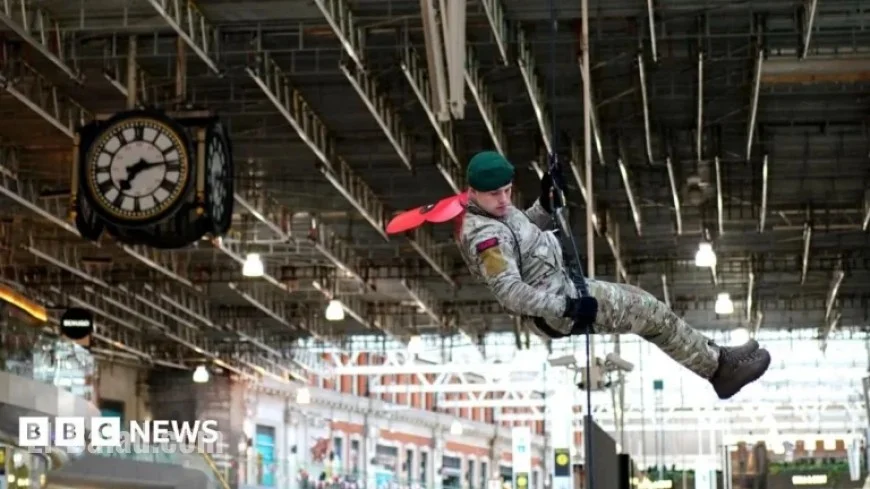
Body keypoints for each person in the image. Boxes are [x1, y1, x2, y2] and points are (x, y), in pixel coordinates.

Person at [457, 151, 771, 400]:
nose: (503, 200)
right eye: (494, 194)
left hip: (567, 291)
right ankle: (718, 370)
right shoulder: (485, 238)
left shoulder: (498, 211)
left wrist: (545, 205)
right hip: (558, 312)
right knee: (649, 314)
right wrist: (567, 308)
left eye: (508, 191)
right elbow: (511, 293)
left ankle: (716, 357)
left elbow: (523, 234)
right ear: (472, 193)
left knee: (646, 303)